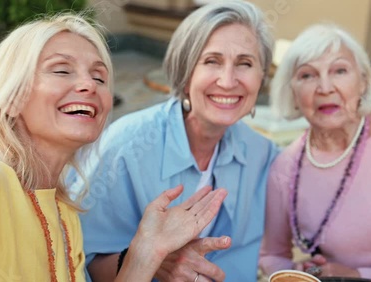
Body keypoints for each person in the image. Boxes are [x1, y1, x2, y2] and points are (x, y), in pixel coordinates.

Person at [0, 14, 228, 282]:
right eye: (62, 70)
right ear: (10, 97)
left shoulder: (65, 212)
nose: (88, 85)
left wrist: (145, 253)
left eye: (99, 77)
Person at [75, 1, 279, 281]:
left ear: (261, 78)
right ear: (185, 74)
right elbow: (80, 261)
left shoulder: (264, 154)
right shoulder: (125, 148)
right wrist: (152, 262)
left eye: (245, 63)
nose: (228, 80)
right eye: (212, 61)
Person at [260, 24, 371, 280]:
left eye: (340, 71)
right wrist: (305, 274)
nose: (325, 87)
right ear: (293, 93)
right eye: (308, 76)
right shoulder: (285, 169)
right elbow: (272, 254)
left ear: (363, 82)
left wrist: (358, 275)